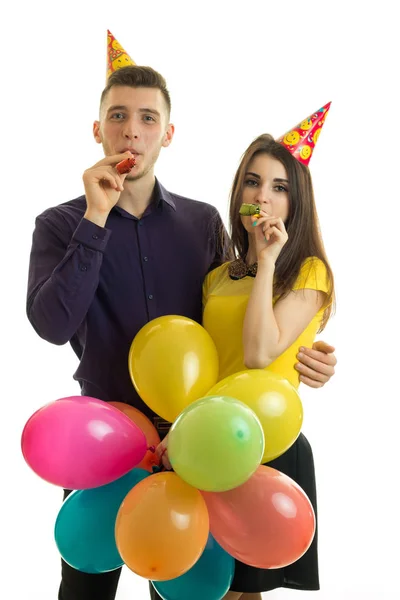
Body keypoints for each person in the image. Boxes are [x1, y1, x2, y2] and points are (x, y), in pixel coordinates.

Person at [26, 33, 337, 600]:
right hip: (102, 437)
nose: (131, 130)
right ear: (98, 129)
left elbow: (238, 322)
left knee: (186, 588)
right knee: (84, 586)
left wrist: (308, 356)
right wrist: (95, 220)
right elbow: (50, 326)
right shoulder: (58, 224)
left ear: (167, 134)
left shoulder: (201, 226)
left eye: (148, 118)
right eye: (117, 116)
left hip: (195, 443)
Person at [197, 112, 334, 599]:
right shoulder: (217, 278)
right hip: (210, 445)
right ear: (238, 195)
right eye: (252, 182)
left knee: (245, 593)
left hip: (267, 447)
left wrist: (268, 259)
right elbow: (204, 367)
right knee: (207, 587)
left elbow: (258, 354)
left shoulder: (308, 273)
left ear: (294, 203)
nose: (262, 196)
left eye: (278, 187)